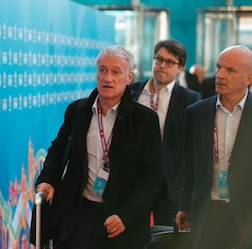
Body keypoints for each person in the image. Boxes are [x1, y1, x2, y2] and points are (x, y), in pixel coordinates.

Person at [33, 45, 163, 249]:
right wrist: (47, 180)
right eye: (102, 70)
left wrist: (127, 216)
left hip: (119, 220)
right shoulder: (78, 110)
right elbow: (58, 150)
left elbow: (153, 175)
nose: (107, 77)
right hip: (78, 215)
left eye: (115, 71)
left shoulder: (144, 120)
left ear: (129, 77)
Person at [176, 45, 252, 249]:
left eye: (230, 70)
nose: (220, 75)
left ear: (249, 78)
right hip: (207, 212)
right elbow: (188, 164)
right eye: (219, 68)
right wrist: (184, 205)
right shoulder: (196, 112)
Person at [130, 39, 201, 226]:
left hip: (169, 184)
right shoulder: (131, 93)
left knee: (166, 237)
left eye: (170, 62)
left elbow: (193, 147)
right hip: (133, 179)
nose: (162, 65)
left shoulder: (191, 99)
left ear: (180, 68)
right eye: (159, 59)